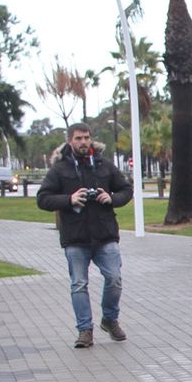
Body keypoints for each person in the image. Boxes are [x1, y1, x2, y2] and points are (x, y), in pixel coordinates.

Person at [36, 123, 133, 348]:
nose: (83, 142)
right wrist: (68, 200)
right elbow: (43, 199)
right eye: (78, 138)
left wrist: (111, 198)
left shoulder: (104, 165)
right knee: (78, 284)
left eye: (86, 138)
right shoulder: (60, 169)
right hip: (75, 237)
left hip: (105, 234)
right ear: (70, 140)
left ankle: (110, 319)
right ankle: (85, 330)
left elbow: (126, 190)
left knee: (114, 278)